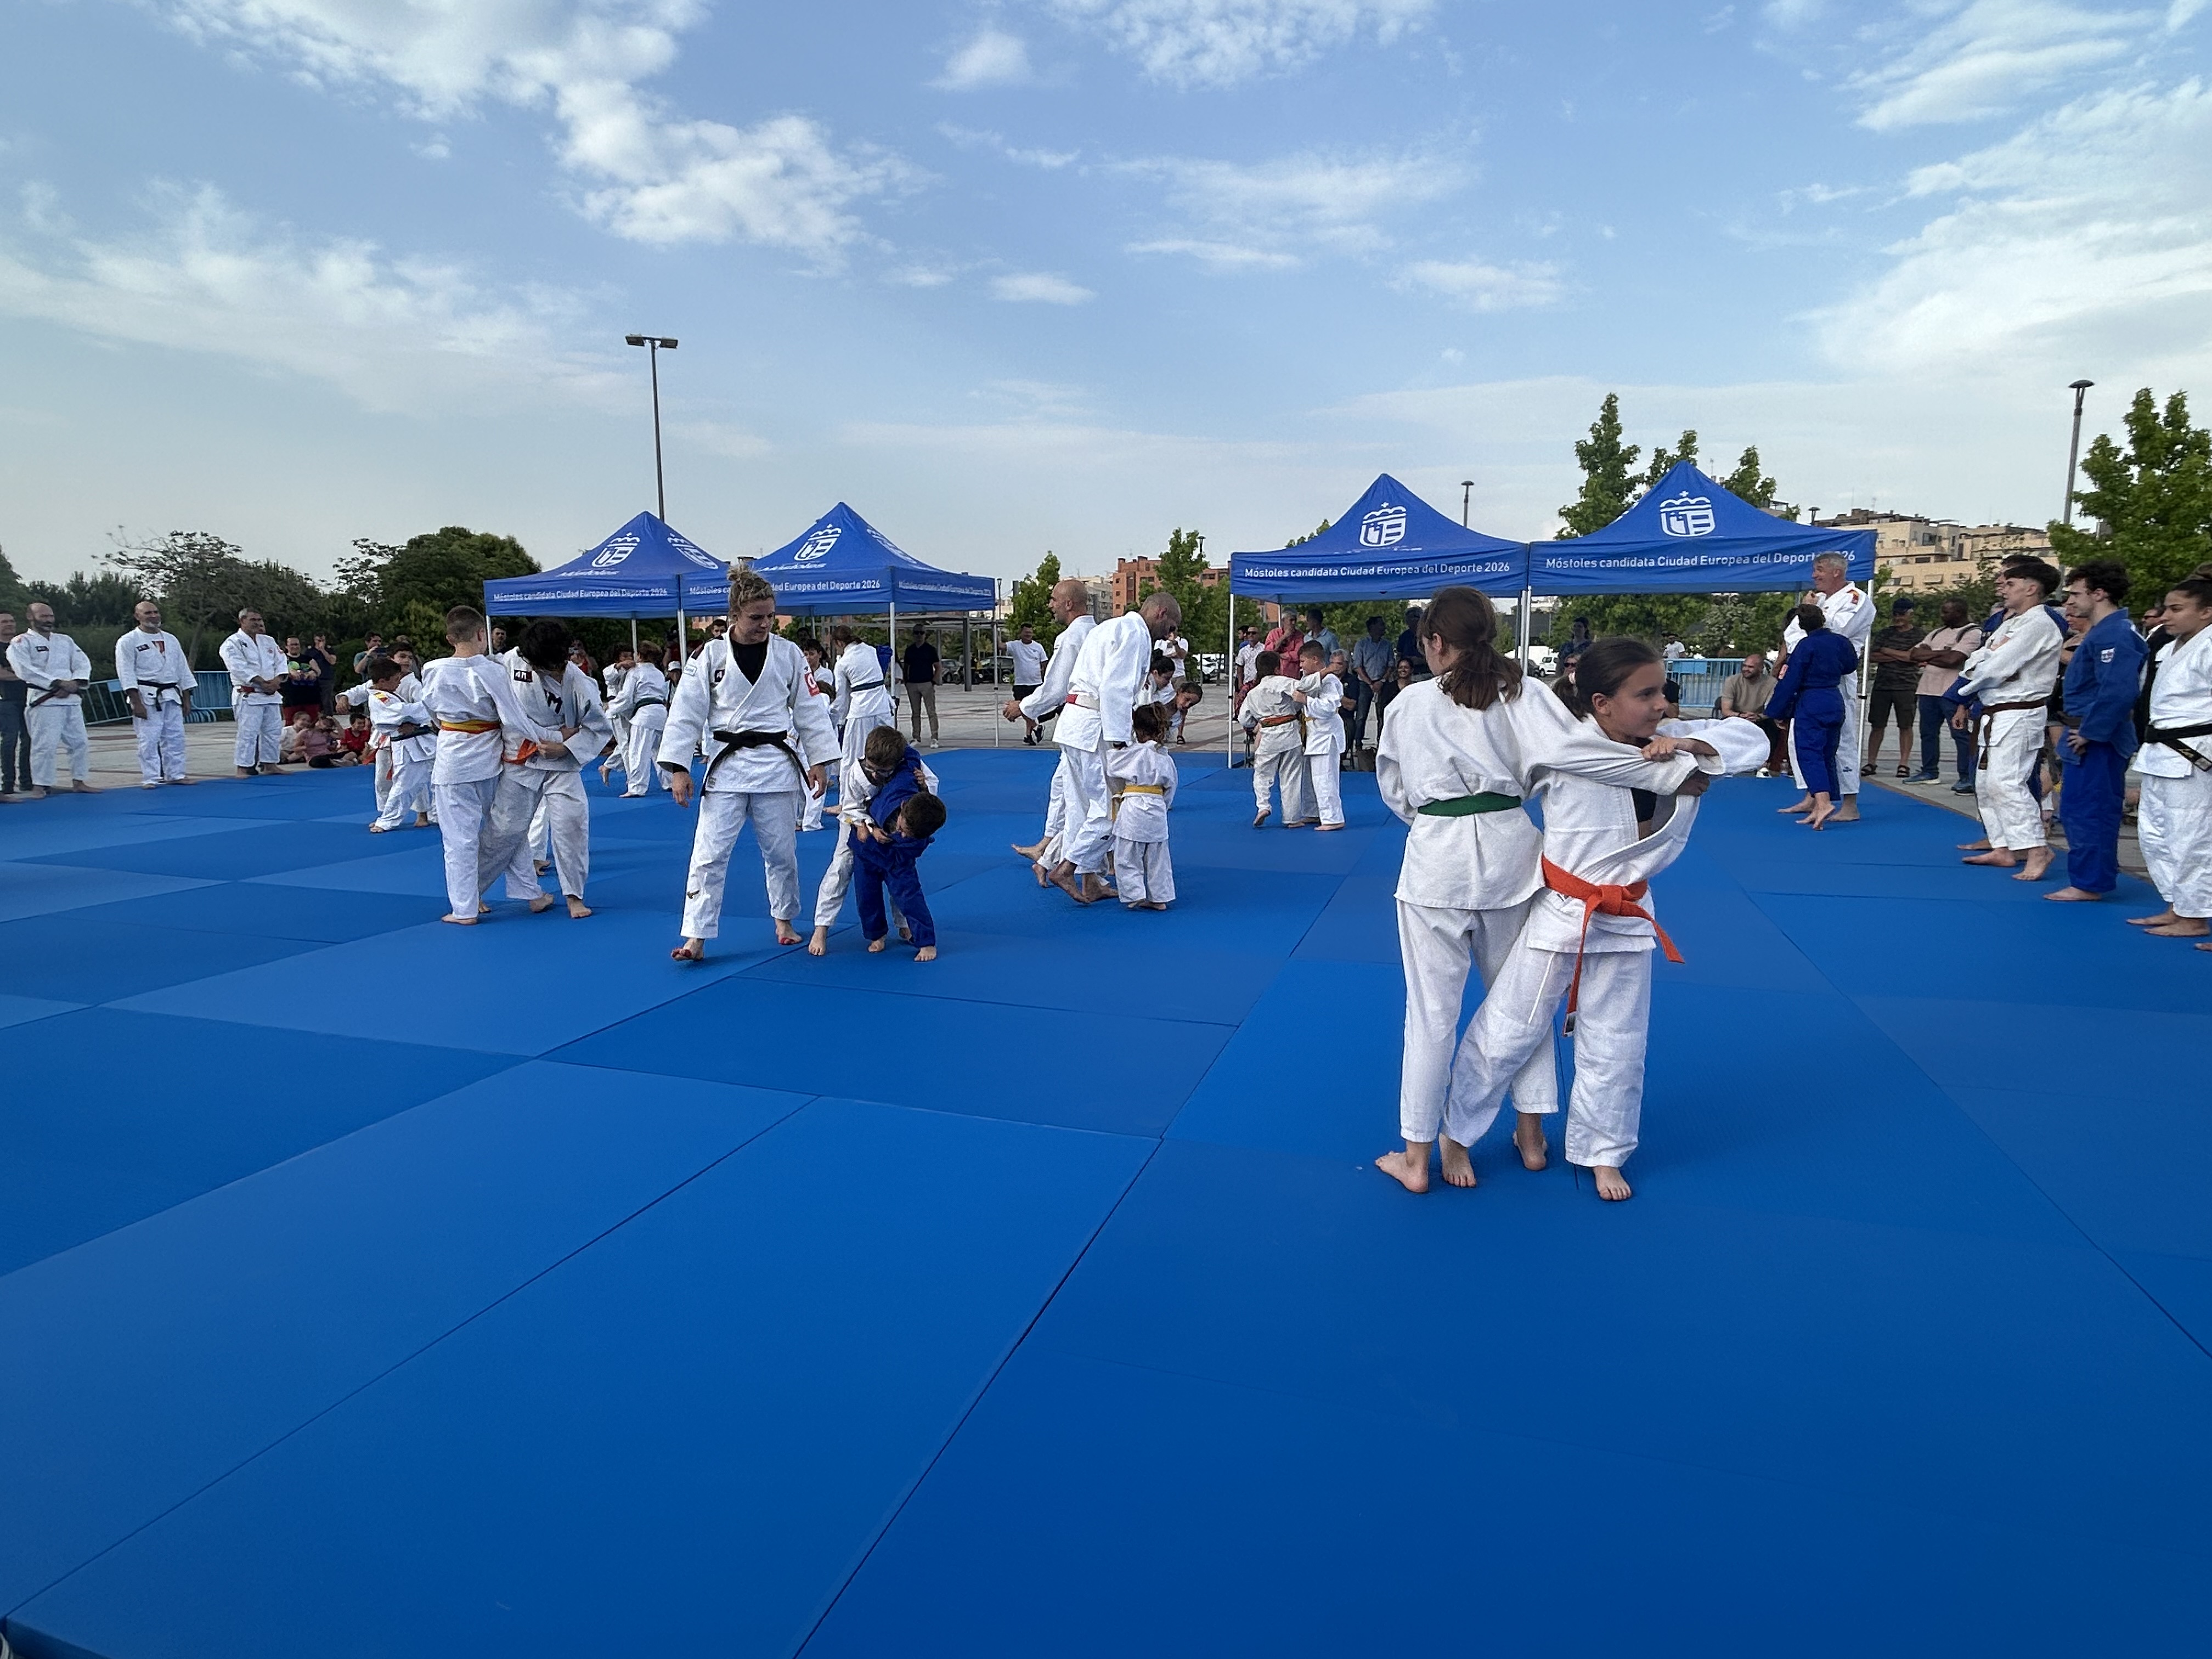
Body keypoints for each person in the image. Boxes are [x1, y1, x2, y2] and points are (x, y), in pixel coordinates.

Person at [1374, 597, 1730, 1196]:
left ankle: (1416, 1157)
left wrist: (1438, 822)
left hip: (1435, 860)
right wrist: (1668, 772)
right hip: (1511, 856)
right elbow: (1573, 757)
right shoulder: (1524, 692)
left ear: (1433, 641)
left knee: (1434, 1015)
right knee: (1523, 1007)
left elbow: (1395, 790)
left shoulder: (1408, 704)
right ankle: (1532, 1133)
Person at [663, 568, 838, 958]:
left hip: (775, 765)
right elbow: (685, 713)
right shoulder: (708, 655)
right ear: (734, 615)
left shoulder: (789, 654)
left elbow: (810, 709)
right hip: (726, 767)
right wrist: (678, 767)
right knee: (709, 855)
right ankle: (696, 936)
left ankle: (784, 919)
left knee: (781, 853)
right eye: (756, 617)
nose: (765, 624)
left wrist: (820, 761)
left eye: (770, 616)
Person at [419, 605, 555, 926]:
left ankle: (464, 909)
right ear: (482, 634)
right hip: (491, 760)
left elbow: (431, 712)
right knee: (508, 828)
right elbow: (514, 717)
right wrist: (550, 738)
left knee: (459, 839)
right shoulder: (493, 670)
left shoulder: (432, 669)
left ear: (450, 638)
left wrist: (453, 725)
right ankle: (532, 893)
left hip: (453, 760)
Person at [1047, 590, 1181, 905]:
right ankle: (1067, 868)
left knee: (1082, 809)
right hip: (1097, 726)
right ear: (1161, 613)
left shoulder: (1109, 627)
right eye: (1171, 626)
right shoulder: (1136, 633)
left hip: (1074, 723)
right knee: (1111, 809)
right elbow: (1115, 689)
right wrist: (1121, 741)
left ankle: (1091, 880)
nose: (1170, 635)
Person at [477, 621, 610, 920]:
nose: (539, 670)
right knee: (503, 830)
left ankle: (574, 895)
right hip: (520, 760)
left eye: (546, 666)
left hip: (562, 764)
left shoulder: (580, 683)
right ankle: (471, 892)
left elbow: (598, 728)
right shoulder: (508, 663)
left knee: (572, 825)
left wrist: (566, 747)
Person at [1954, 558, 2066, 881]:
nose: (2004, 588)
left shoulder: (2039, 624)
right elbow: (1978, 659)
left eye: (2011, 584)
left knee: (2007, 783)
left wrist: (1977, 674)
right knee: (1986, 783)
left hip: (2020, 712)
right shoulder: (2011, 622)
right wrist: (1982, 667)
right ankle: (2003, 846)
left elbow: (1995, 667)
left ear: (2032, 589)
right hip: (1996, 710)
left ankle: (2037, 848)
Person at [2045, 562, 2148, 904]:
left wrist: (2091, 731)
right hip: (2084, 732)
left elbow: (2118, 691)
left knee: (2092, 809)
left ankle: (2090, 882)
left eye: (2076, 593)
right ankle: (2091, 876)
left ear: (2099, 593)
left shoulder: (2117, 635)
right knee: (2078, 808)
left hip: (2097, 738)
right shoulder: (2103, 633)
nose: (2070, 602)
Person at [2131, 574, 2212, 943]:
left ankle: (2195, 916)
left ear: (2207, 612)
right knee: (2155, 833)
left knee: (2191, 838)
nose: (2166, 616)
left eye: (2177, 609)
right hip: (2161, 750)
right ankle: (2177, 905)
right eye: (2166, 608)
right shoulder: (2171, 646)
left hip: (2194, 752)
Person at [810, 724, 938, 952]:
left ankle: (904, 925)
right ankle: (822, 928)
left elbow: (930, 795)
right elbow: (851, 808)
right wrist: (868, 827)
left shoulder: (908, 765)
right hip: (858, 824)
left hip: (897, 825)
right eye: (872, 768)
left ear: (897, 762)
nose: (876, 775)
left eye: (884, 771)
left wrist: (923, 784)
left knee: (900, 876)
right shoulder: (856, 773)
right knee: (841, 869)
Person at [1006, 579, 1097, 880]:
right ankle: (1047, 851)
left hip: (1084, 725)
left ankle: (1078, 865)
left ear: (1069, 604)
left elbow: (1056, 688)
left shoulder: (1071, 638)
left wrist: (1023, 707)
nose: (1050, 605)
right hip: (1088, 724)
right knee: (1063, 787)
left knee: (1082, 800)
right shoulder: (1098, 632)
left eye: (1054, 600)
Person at [1775, 552, 1874, 821]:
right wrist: (1808, 613)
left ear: (1836, 572)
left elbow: (1832, 638)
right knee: (1802, 740)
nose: (1814, 575)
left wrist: (1809, 616)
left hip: (1835, 680)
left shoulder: (1855, 599)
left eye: (1819, 570)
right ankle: (1813, 796)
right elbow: (1793, 638)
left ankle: (1850, 805)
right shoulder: (1819, 600)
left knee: (1841, 742)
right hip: (1807, 679)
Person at [1764, 604, 1859, 830]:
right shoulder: (1841, 641)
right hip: (1834, 699)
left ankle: (1823, 803)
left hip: (1812, 701)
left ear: (1800, 625)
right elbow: (1850, 666)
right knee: (1827, 754)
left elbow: (1791, 681)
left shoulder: (1806, 646)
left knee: (1809, 753)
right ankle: (1820, 805)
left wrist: (1778, 711)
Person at [7, 602, 97, 796]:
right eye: (43, 616)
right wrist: (57, 683)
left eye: (51, 616)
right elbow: (24, 670)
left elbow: (82, 663)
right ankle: (40, 785)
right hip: (44, 700)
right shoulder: (21, 642)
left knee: (80, 742)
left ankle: (79, 781)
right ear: (30, 617)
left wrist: (75, 682)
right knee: (45, 745)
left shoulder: (65, 640)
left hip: (71, 699)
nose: (49, 620)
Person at [851, 788, 946, 961]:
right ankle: (876, 934)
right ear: (903, 807)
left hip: (899, 860)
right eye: (903, 829)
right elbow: (854, 812)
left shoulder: (921, 828)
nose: (902, 834)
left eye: (908, 834)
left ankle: (926, 941)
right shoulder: (888, 798)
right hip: (868, 852)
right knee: (867, 897)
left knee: (911, 898)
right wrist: (871, 828)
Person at [115, 599, 196, 788]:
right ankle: (151, 777)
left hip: (172, 694)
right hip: (146, 695)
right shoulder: (128, 641)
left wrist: (187, 698)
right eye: (148, 613)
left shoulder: (171, 639)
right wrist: (136, 702)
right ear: (137, 616)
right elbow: (126, 672)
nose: (154, 616)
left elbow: (183, 670)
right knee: (149, 738)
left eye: (156, 612)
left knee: (175, 737)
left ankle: (176, 774)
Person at [1106, 702, 1177, 909]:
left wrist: (1118, 747)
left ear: (1138, 730)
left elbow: (1111, 767)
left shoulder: (1133, 753)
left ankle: (1134, 893)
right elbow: (1171, 788)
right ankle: (1160, 898)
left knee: (1127, 855)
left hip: (1134, 807)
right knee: (1159, 858)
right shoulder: (1165, 757)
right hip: (1157, 808)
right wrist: (1163, 805)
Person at [1909, 599, 1983, 787]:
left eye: (1946, 612)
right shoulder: (1936, 633)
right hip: (1928, 690)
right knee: (1928, 733)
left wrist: (1930, 656)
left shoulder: (1972, 633)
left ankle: (1966, 776)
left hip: (1953, 692)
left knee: (1960, 734)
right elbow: (1914, 654)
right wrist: (1943, 653)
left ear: (1959, 612)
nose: (1942, 616)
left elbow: (1954, 660)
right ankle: (1929, 771)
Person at [362, 654, 435, 832]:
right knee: (404, 786)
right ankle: (386, 821)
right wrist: (428, 707)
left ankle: (435, 815)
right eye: (396, 679)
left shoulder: (388, 694)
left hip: (423, 743)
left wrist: (414, 721)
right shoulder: (380, 697)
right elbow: (402, 712)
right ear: (382, 681)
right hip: (407, 747)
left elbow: (407, 715)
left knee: (440, 780)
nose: (399, 683)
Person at [1241, 650, 1311, 830]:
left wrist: (1260, 721)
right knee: (1291, 776)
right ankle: (1292, 818)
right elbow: (1301, 692)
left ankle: (1263, 806)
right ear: (1277, 668)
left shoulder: (1253, 694)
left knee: (1262, 774)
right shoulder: (1285, 682)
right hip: (1289, 733)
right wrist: (1293, 707)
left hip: (1268, 734)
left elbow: (1244, 719)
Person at [221, 608, 289, 776]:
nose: (258, 623)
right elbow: (237, 667)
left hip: (271, 694)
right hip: (249, 693)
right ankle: (243, 767)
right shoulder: (232, 643)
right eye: (253, 620)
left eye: (260, 620)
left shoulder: (268, 640)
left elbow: (281, 661)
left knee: (273, 731)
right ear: (242, 621)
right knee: (248, 733)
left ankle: (270, 764)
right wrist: (261, 682)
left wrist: (277, 681)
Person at [1864, 596, 1925, 778]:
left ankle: (1903, 763)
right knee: (1877, 724)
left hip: (1907, 685)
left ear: (1910, 614)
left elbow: (1915, 658)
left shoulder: (1920, 635)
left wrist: (1888, 651)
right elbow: (1873, 656)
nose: (1898, 618)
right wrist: (1903, 655)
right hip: (1883, 685)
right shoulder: (1885, 633)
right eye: (1896, 614)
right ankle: (1871, 762)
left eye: (1902, 614)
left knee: (1905, 725)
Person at [830, 624, 895, 792]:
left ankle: (847, 799)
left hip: (861, 711)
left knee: (852, 757)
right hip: (882, 706)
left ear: (839, 643)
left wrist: (834, 719)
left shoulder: (842, 663)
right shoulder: (870, 650)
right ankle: (887, 792)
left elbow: (841, 699)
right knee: (888, 751)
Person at [1291, 640, 1346, 830]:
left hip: (1326, 734)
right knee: (1311, 778)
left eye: (1303, 661)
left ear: (1315, 659)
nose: (1301, 666)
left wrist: (1306, 700)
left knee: (1325, 777)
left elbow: (1329, 708)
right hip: (1313, 733)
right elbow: (1301, 687)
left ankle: (1333, 818)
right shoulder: (1312, 679)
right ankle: (1314, 811)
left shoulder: (1330, 681)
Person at [608, 642, 672, 797]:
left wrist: (610, 709)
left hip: (645, 715)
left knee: (638, 752)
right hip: (661, 713)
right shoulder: (659, 673)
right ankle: (669, 782)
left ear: (640, 656)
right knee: (660, 751)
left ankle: (637, 788)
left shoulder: (636, 672)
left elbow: (626, 697)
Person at [1715, 652, 1784, 774]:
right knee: (1721, 728)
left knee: (1774, 729)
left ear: (1761, 669)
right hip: (1736, 717)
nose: (1746, 669)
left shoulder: (1772, 683)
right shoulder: (1732, 681)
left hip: (1760, 718)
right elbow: (1726, 711)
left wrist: (1759, 717)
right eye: (1745, 666)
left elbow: (1773, 708)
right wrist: (1740, 716)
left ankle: (1766, 764)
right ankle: (1725, 762)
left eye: (1751, 667)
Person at [798, 639, 835, 830]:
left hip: (805, 739)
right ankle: (809, 821)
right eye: (805, 654)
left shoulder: (825, 676)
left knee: (805, 782)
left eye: (811, 653)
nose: (808, 658)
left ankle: (802, 819)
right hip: (810, 740)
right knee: (814, 782)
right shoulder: (822, 697)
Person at [1350, 616, 1392, 749]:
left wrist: (1382, 680)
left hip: (1383, 683)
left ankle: (1382, 744)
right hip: (1365, 684)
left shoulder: (1387, 645)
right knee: (1361, 715)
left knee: (1383, 715)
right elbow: (1357, 666)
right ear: (1372, 627)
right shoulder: (1362, 644)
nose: (1384, 627)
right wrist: (1370, 683)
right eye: (1381, 625)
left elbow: (1391, 665)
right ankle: (1358, 744)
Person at [0, 610, 27, 802]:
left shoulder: (22, 645)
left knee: (30, 739)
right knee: (10, 740)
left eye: (11, 621)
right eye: (4, 622)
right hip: (6, 699)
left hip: (28, 698)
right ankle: (8, 783)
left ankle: (28, 780)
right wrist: (25, 674)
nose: (9, 624)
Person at [1008, 624, 1048, 743]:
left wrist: (1043, 676)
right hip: (1021, 684)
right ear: (1021, 633)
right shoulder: (1015, 645)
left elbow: (1044, 662)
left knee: (1031, 710)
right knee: (1022, 708)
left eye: (1030, 633)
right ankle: (1036, 727)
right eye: (1026, 633)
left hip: (1035, 683)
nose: (1028, 635)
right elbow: (1000, 646)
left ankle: (1029, 735)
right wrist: (995, 631)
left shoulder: (1038, 647)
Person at [901, 629, 941, 747]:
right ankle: (916, 737)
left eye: (921, 633)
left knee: (931, 711)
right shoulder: (910, 650)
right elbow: (906, 667)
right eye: (916, 633)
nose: (919, 635)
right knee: (915, 712)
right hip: (913, 684)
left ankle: (934, 737)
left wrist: (933, 681)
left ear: (925, 635)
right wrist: (906, 681)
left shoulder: (930, 650)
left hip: (927, 683)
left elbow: (938, 666)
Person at [280, 636, 323, 725]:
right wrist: (291, 672)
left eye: (297, 644)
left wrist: (312, 673)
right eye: (292, 645)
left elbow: (318, 671)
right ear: (287, 646)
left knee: (313, 723)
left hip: (311, 697)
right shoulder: (282, 659)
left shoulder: (308, 659)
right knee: (290, 724)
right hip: (291, 698)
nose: (295, 647)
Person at [1233, 623, 1261, 716]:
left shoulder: (1264, 649)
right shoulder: (1243, 650)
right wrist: (1240, 682)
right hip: (1247, 682)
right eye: (1249, 633)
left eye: (1254, 633)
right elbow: (1240, 667)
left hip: (1259, 683)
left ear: (1258, 635)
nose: (1251, 635)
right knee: (1245, 704)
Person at [1165, 679, 1203, 746]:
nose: (1187, 705)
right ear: (1180, 692)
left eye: (1191, 705)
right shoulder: (1163, 700)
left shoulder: (1179, 713)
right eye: (1187, 699)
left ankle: (1180, 735)